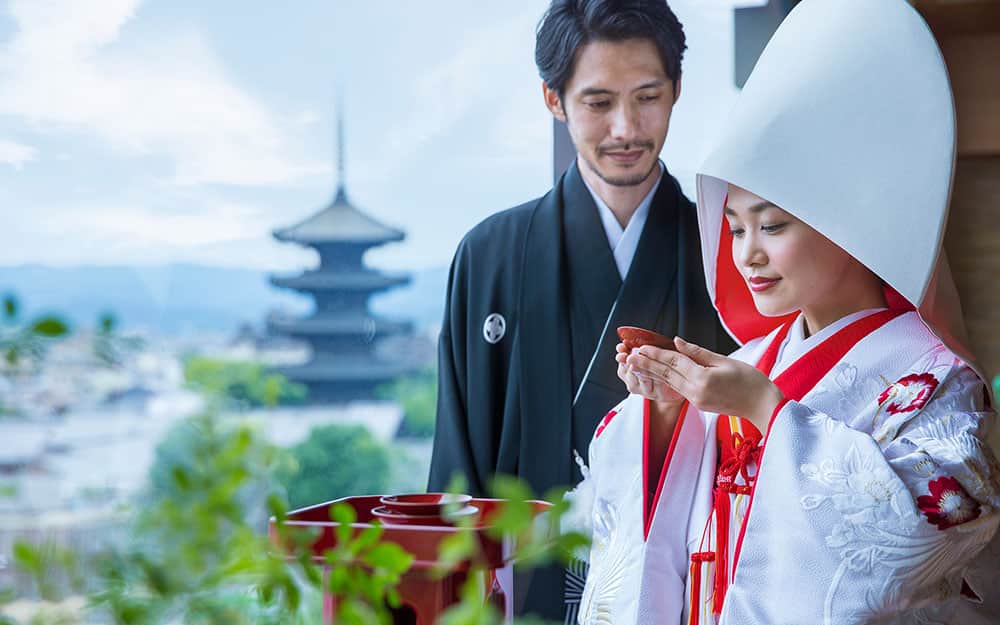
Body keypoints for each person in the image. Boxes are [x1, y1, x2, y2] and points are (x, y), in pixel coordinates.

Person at [570, 0, 1000, 623]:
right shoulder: (748, 364)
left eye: (771, 225)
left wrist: (769, 414)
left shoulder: (935, 383)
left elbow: (932, 535)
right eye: (735, 229)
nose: (748, 255)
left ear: (851, 227)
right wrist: (665, 414)